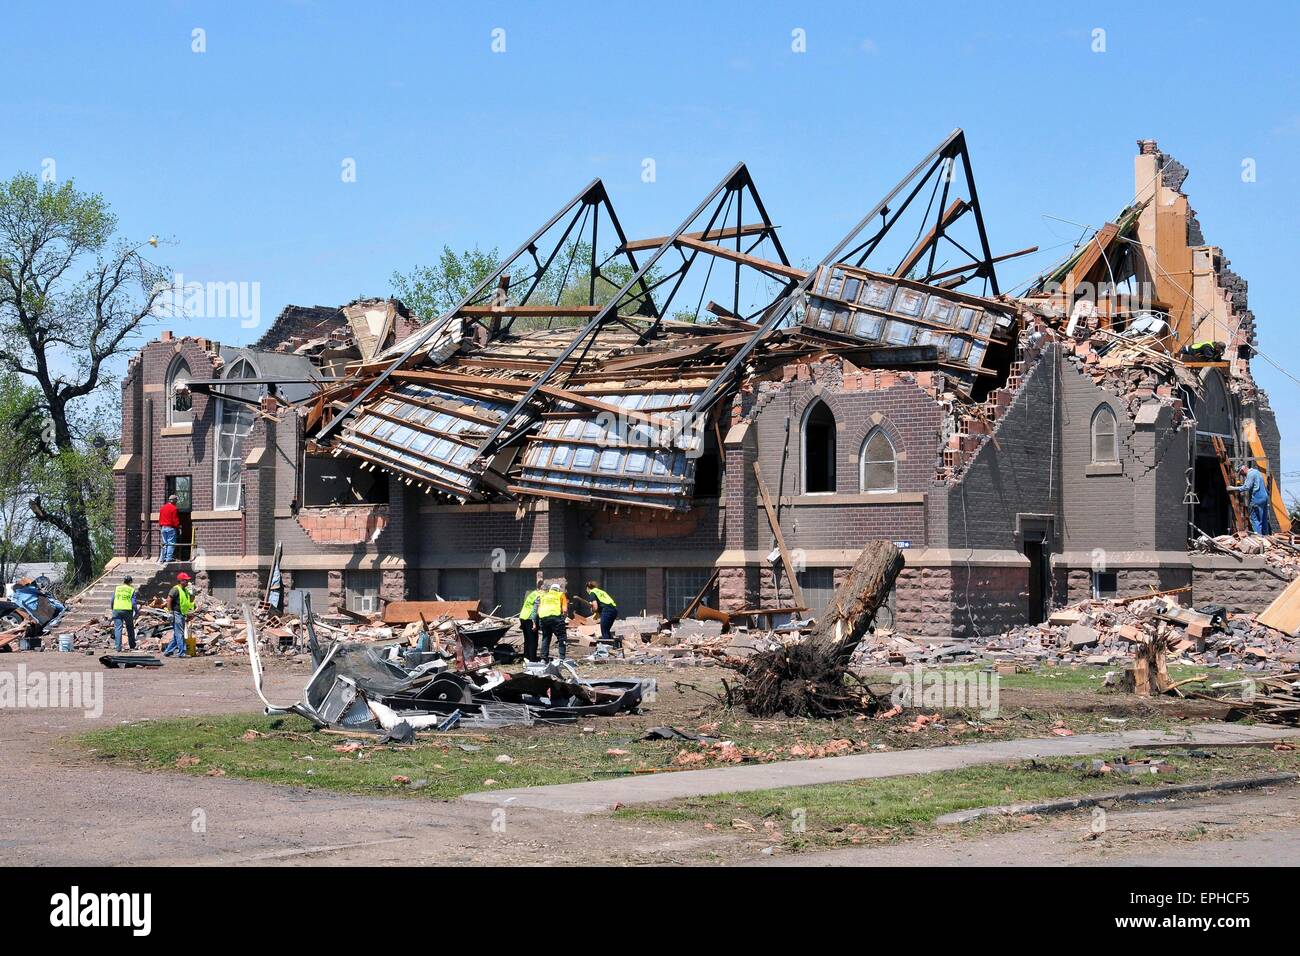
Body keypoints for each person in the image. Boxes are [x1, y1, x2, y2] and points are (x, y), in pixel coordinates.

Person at [1229, 463, 1272, 535]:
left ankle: (1259, 537)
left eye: (1241, 473)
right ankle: (1266, 536)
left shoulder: (1250, 474)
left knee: (1254, 518)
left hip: (1257, 497)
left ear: (1242, 469)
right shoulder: (1257, 472)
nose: (1242, 475)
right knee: (1263, 518)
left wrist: (1233, 488)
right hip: (1264, 497)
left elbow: (1246, 487)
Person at [163, 572, 195, 658]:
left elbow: (190, 601)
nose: (187, 582)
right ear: (181, 581)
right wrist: (170, 612)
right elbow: (169, 600)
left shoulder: (185, 590)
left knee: (177, 634)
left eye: (188, 580)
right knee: (180, 633)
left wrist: (193, 593)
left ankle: (168, 651)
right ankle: (182, 652)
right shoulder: (175, 589)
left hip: (182, 614)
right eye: (186, 580)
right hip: (176, 613)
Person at [536, 583, 568, 661]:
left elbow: (538, 610)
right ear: (558, 589)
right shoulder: (560, 594)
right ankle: (562, 658)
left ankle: (543, 658)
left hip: (544, 618)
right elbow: (565, 610)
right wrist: (563, 619)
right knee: (562, 637)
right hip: (555, 617)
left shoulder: (544, 595)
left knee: (546, 638)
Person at [585, 580, 619, 645]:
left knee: (604, 631)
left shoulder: (592, 592)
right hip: (614, 610)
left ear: (588, 588)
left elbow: (595, 606)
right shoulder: (601, 591)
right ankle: (612, 646)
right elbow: (603, 602)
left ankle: (606, 649)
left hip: (606, 611)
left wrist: (593, 610)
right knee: (607, 630)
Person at [110, 575, 138, 652]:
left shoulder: (117, 588)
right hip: (127, 610)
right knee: (130, 628)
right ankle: (132, 645)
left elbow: (112, 599)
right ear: (131, 581)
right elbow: (133, 603)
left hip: (117, 609)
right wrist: (136, 611)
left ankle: (118, 647)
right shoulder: (131, 589)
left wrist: (113, 608)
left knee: (118, 628)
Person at [518, 584, 541, 661]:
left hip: (523, 617)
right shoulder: (539, 596)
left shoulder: (532, 594)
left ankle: (526, 658)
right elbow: (535, 610)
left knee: (527, 640)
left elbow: (525, 606)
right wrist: (534, 623)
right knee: (533, 640)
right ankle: (532, 659)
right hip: (530, 619)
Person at [159, 494, 181, 562]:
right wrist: (178, 527)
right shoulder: (174, 508)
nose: (176, 502)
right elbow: (175, 520)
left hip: (163, 527)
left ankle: (162, 558)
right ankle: (168, 558)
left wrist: (161, 526)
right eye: (176, 500)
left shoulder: (163, 507)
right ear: (174, 501)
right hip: (170, 528)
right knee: (171, 543)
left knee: (164, 543)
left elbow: (160, 518)